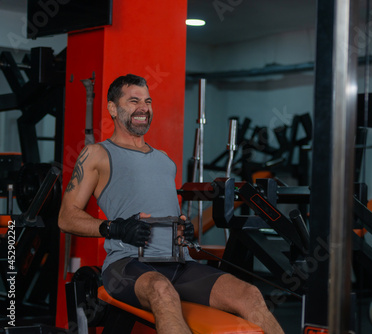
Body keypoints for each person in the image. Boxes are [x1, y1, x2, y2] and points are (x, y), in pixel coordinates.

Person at [58, 74, 284, 334]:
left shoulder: (165, 160)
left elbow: (168, 214)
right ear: (112, 108)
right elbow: (66, 217)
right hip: (127, 265)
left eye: (148, 101)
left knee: (250, 294)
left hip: (179, 264)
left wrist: (184, 232)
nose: (143, 108)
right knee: (162, 291)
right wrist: (116, 228)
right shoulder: (97, 153)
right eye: (133, 101)